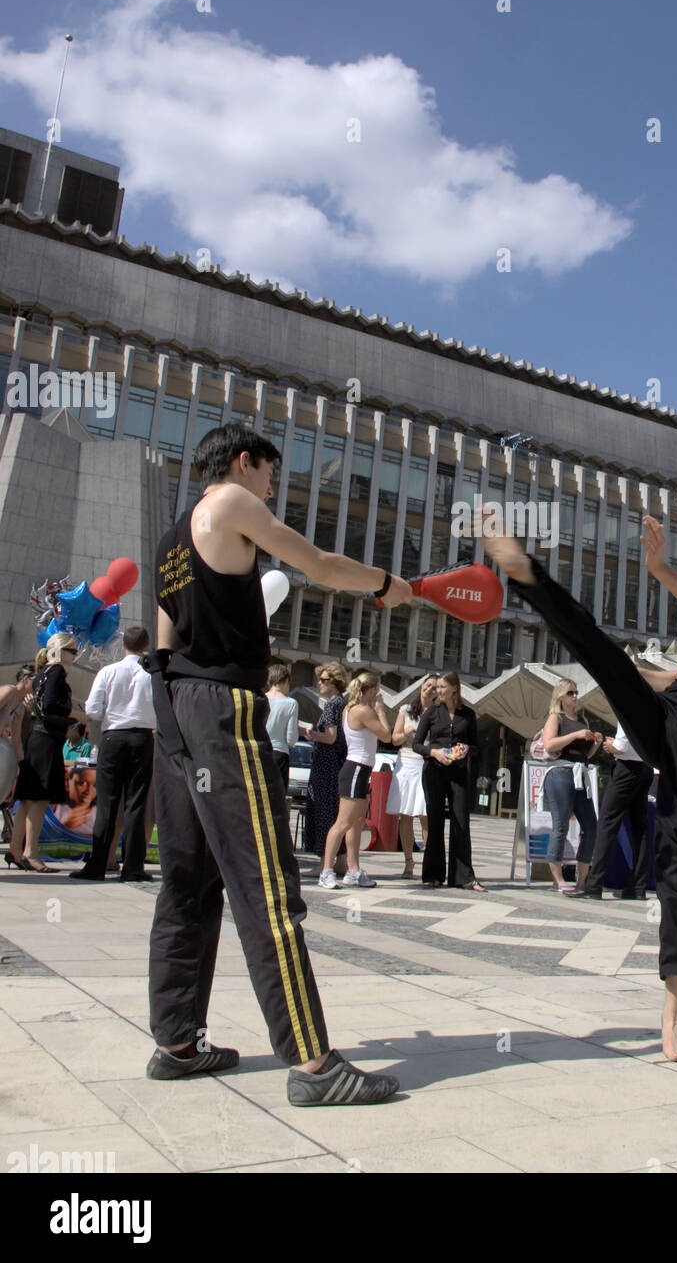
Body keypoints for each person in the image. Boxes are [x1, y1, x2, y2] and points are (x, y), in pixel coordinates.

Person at [148, 422, 411, 1106]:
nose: (272, 489)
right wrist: (388, 584)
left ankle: (177, 1041)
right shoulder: (232, 503)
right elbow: (319, 563)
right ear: (242, 462)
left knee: (187, 881)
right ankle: (314, 1067)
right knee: (266, 883)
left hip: (174, 704)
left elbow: (165, 640)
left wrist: (177, 718)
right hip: (220, 709)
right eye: (270, 473)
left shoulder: (172, 536)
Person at [483, 519, 677, 1062]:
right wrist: (630, 675)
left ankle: (673, 1015)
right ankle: (528, 577)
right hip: (670, 714)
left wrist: (660, 568)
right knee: (600, 649)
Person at [72, 626, 158, 882]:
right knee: (136, 803)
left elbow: (94, 710)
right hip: (143, 737)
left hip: (113, 737)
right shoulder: (152, 674)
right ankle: (133, 866)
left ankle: (98, 864)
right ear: (146, 644)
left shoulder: (108, 672)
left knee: (108, 803)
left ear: (124, 646)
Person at [7, 637, 86, 873]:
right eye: (72, 651)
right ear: (61, 652)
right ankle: (30, 852)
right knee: (39, 798)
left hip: (37, 738)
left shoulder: (42, 672)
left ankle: (15, 849)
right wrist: (76, 715)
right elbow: (52, 704)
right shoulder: (57, 672)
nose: (75, 655)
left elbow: (43, 705)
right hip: (47, 739)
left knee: (28, 799)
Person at [318, 671, 394, 889]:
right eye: (376, 691)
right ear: (370, 690)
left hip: (361, 771)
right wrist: (380, 710)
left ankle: (353, 869)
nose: (378, 695)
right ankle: (326, 870)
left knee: (357, 822)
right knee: (342, 823)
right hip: (355, 769)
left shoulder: (351, 708)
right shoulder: (361, 710)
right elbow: (386, 736)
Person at [413, 672, 486, 891]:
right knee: (435, 821)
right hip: (434, 770)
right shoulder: (432, 713)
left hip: (459, 772)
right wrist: (433, 753)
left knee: (461, 822)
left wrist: (466, 749)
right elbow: (417, 744)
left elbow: (476, 746)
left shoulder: (468, 714)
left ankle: (463, 876)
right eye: (437, 687)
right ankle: (433, 874)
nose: (438, 690)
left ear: (454, 688)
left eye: (443, 686)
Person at [567, 722, 653, 900]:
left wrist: (610, 746)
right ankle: (638, 885)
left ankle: (593, 884)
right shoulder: (651, 703)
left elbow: (621, 746)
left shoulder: (628, 703)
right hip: (646, 766)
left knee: (607, 823)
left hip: (627, 768)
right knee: (640, 828)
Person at [539, 679, 600, 892]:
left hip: (580, 773)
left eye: (576, 692)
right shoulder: (556, 718)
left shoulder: (583, 719)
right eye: (570, 693)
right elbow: (549, 744)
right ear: (561, 697)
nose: (575, 696)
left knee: (592, 827)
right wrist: (575, 735)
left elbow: (587, 754)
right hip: (561, 773)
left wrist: (595, 742)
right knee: (561, 825)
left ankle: (582, 880)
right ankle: (558, 879)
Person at [387, 674, 438, 879]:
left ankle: (430, 861)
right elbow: (394, 739)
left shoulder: (438, 713)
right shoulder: (406, 710)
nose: (430, 690)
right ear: (421, 687)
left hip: (426, 763)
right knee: (405, 815)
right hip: (407, 762)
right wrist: (407, 733)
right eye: (427, 686)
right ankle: (409, 861)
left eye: (434, 688)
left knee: (426, 816)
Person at [303, 664, 348, 861]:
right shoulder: (342, 703)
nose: (319, 683)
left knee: (323, 811)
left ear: (335, 682)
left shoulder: (332, 704)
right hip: (336, 763)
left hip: (325, 764)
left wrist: (310, 734)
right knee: (334, 811)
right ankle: (340, 860)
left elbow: (330, 737)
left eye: (324, 680)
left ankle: (324, 860)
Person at [0, 667, 34, 843]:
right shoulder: (9, 690)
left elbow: (17, 740)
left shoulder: (20, 707)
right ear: (26, 679)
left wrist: (22, 766)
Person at [265, 663, 300, 798]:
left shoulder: (260, 698)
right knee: (276, 798)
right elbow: (291, 739)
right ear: (285, 680)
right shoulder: (290, 703)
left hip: (260, 751)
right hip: (279, 753)